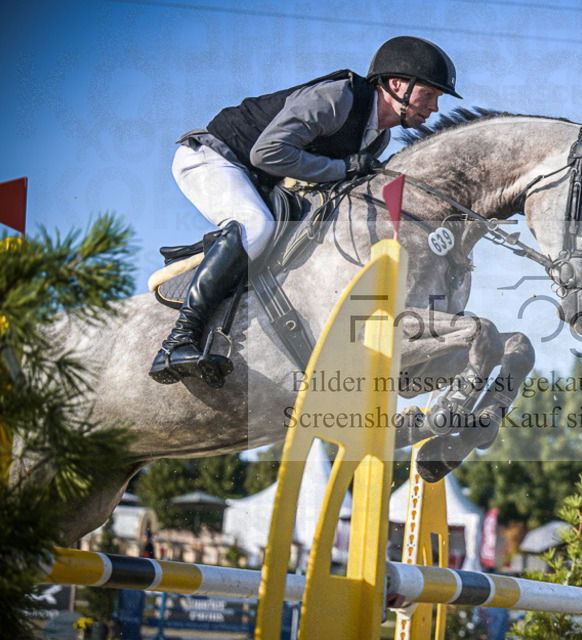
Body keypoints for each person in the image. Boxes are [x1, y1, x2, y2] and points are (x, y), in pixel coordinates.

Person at [149, 36, 460, 387]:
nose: (434, 108)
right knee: (256, 225)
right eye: (430, 95)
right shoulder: (337, 97)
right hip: (213, 157)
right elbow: (267, 154)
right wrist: (342, 168)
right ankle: (178, 342)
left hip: (260, 181)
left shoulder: (378, 138)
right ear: (397, 84)